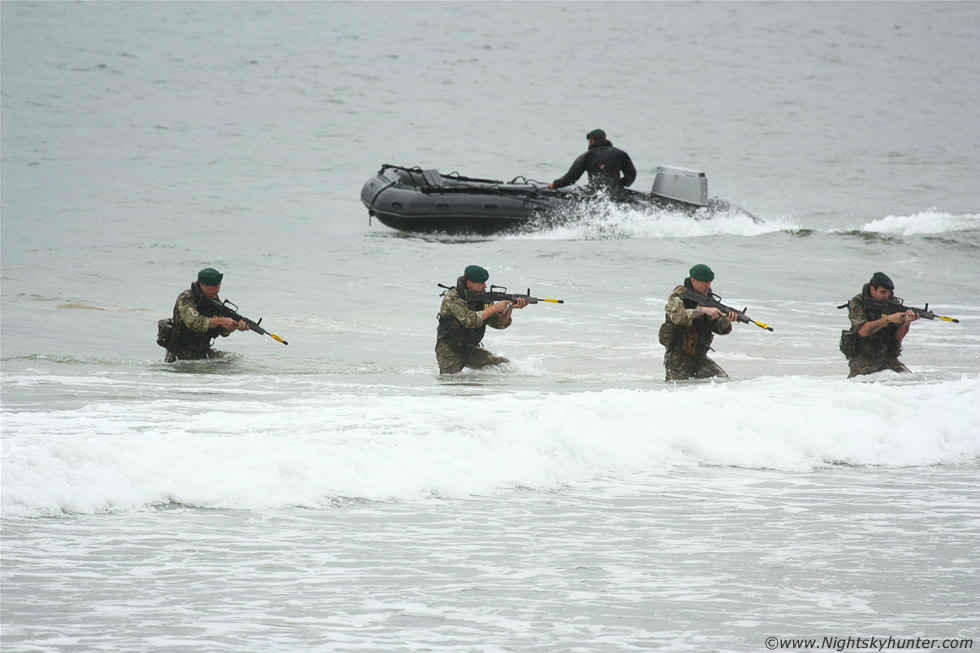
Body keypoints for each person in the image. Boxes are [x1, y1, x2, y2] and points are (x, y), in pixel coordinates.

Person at [435, 265, 528, 374]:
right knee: (452, 383)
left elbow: (498, 323)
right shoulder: (453, 298)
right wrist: (494, 308)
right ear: (470, 283)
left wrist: (510, 308)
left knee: (503, 365)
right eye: (482, 283)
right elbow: (469, 320)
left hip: (470, 348)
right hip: (450, 350)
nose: (485, 286)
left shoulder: (483, 298)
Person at [659, 264, 739, 381]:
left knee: (723, 380)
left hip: (699, 357)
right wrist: (703, 311)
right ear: (693, 280)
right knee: (678, 391)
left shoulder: (709, 300)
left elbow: (721, 329)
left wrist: (726, 320)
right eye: (704, 282)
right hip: (677, 359)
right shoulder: (679, 296)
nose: (708, 286)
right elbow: (677, 317)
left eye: (710, 282)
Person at [164, 267, 249, 362]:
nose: (218, 290)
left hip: (202, 351)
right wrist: (221, 321)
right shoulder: (186, 298)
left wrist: (233, 326)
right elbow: (194, 323)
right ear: (202, 285)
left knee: (233, 360)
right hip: (180, 354)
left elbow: (221, 330)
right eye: (215, 286)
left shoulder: (213, 299)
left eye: (219, 285)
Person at [844, 272, 918, 378]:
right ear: (872, 289)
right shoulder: (858, 302)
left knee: (910, 379)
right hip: (864, 361)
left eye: (889, 292)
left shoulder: (892, 303)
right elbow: (863, 331)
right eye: (883, 292)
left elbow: (897, 337)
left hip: (888, 357)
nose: (886, 296)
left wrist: (907, 322)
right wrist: (888, 319)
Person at [547, 128, 637, 197]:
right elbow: (631, 174)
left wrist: (555, 184)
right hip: (615, 193)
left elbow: (571, 178)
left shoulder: (587, 156)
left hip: (594, 194)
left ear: (592, 141)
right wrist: (619, 185)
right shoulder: (620, 154)